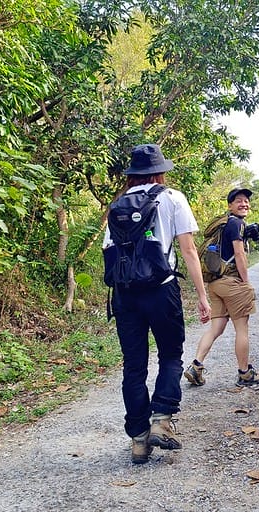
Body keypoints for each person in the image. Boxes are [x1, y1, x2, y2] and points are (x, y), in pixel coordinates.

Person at [103, 144, 211, 464]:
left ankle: (138, 439)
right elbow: (189, 251)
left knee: (133, 365)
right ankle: (161, 421)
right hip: (161, 291)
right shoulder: (172, 198)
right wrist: (202, 296)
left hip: (125, 295)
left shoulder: (118, 204)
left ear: (133, 174)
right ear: (160, 171)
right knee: (170, 354)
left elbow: (109, 252)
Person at [184, 188, 259, 388]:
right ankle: (245, 373)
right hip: (232, 283)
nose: (244, 204)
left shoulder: (223, 224)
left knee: (216, 328)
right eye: (238, 201)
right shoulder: (236, 223)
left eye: (246, 201)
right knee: (242, 328)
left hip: (215, 284)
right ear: (230, 205)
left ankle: (196, 366)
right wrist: (245, 283)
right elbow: (239, 255)